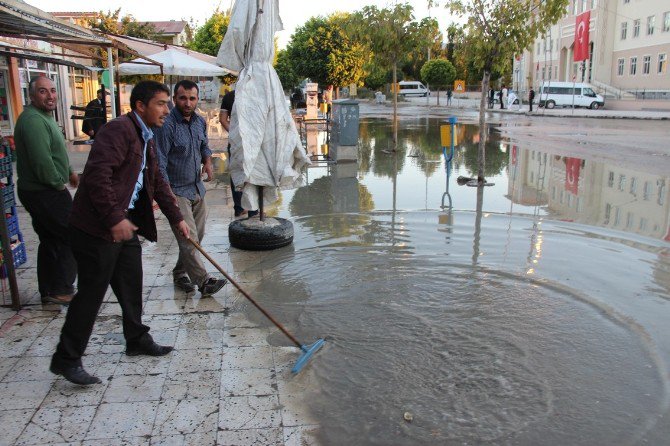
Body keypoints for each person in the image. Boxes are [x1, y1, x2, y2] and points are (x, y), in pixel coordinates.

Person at [50, 81, 190, 385]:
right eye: (161, 103)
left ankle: (136, 338)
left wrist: (177, 218)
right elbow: (97, 177)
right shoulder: (118, 131)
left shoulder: (146, 135)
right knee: (91, 293)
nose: (167, 110)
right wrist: (114, 219)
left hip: (122, 224)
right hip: (95, 228)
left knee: (130, 282)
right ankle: (67, 358)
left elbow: (157, 181)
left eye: (167, 103)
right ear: (140, 105)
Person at [154, 80, 227, 295]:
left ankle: (179, 273)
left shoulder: (199, 122)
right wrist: (165, 195)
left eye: (192, 98)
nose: (187, 103)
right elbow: (160, 162)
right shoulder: (166, 125)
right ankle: (204, 281)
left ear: (197, 100)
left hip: (196, 188)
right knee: (189, 238)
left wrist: (207, 160)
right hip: (176, 190)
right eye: (183, 98)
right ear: (175, 99)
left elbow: (204, 144)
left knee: (196, 238)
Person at [14, 76, 78, 306]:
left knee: (51, 239)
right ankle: (60, 288)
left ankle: (50, 290)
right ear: (31, 95)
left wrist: (70, 171)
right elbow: (42, 162)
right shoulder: (32, 121)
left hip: (45, 190)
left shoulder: (45, 118)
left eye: (52, 90)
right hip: (43, 191)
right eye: (43, 91)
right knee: (71, 235)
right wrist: (58, 184)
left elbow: (56, 151)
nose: (50, 96)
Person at [219, 88, 257, 218]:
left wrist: (234, 133)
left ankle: (240, 208)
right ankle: (252, 210)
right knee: (252, 172)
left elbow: (223, 119)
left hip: (237, 141)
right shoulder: (254, 94)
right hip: (251, 141)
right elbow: (223, 119)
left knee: (236, 170)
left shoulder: (229, 96)